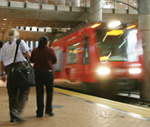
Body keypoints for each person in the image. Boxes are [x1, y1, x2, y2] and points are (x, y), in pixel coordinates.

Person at [0, 28, 31, 122]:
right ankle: (17, 110)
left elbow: (1, 61)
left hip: (9, 70)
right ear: (17, 36)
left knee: (12, 93)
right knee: (24, 89)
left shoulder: (4, 46)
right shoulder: (20, 42)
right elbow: (28, 54)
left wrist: (3, 74)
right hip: (20, 68)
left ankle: (12, 117)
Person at [30, 36, 57, 118]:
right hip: (48, 73)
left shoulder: (35, 50)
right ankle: (49, 111)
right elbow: (55, 61)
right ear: (47, 42)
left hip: (38, 73)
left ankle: (39, 112)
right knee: (49, 92)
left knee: (39, 93)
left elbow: (31, 60)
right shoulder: (50, 50)